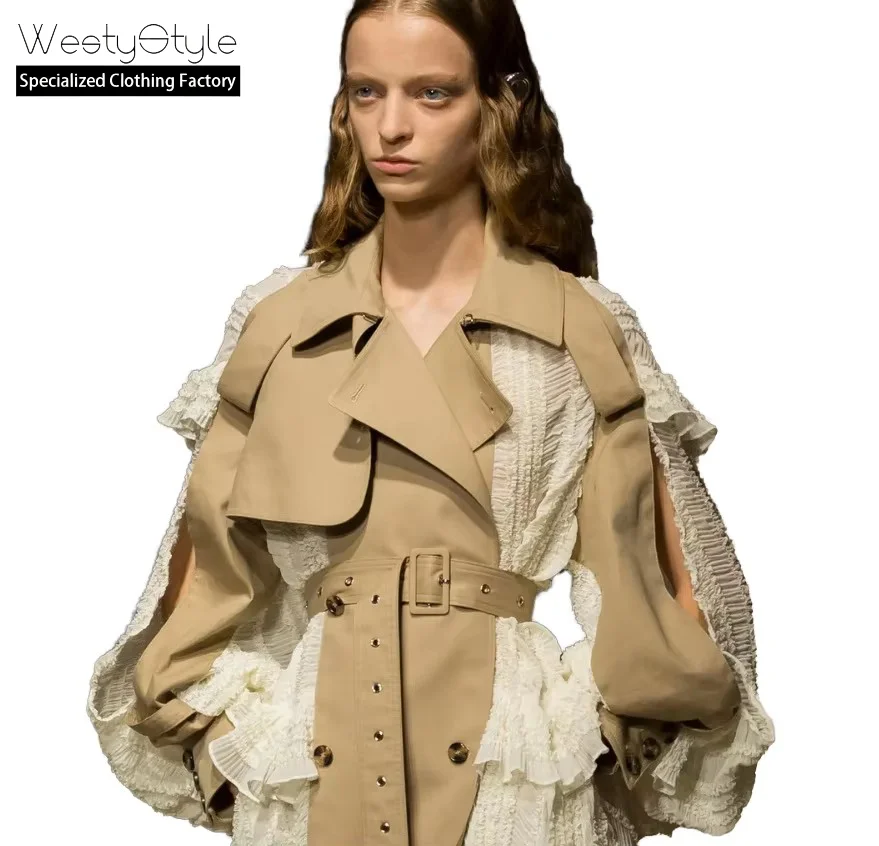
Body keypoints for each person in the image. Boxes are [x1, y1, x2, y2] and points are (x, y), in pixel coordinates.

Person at [86, 1, 775, 844]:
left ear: (498, 104)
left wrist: (594, 734)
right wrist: (224, 743)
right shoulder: (278, 323)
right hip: (314, 772)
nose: (391, 127)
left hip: (508, 775)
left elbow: (664, 585)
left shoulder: (579, 327)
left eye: (432, 93)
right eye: (365, 92)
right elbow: (199, 582)